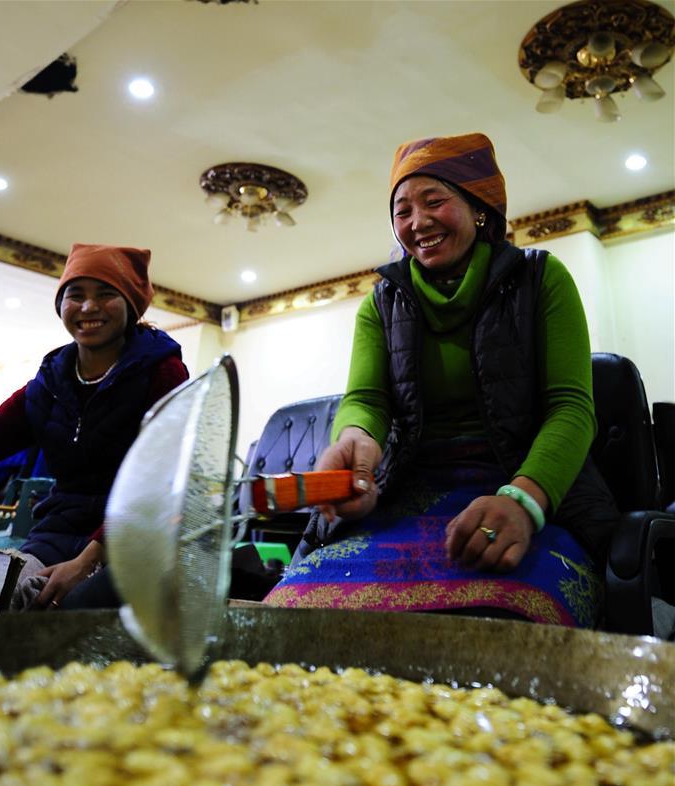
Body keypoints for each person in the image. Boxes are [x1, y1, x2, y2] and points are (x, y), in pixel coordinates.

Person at [265, 133, 619, 628]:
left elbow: (571, 408)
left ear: (478, 209)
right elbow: (366, 399)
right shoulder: (381, 302)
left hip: (522, 488)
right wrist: (354, 439)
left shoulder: (541, 278)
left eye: (435, 201)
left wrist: (522, 500)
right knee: (289, 617)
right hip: (408, 494)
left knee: (513, 623)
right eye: (402, 210)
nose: (417, 222)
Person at [0, 243, 189, 610]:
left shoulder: (162, 373)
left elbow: (160, 483)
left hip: (134, 539)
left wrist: (87, 562)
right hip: (58, 530)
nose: (88, 307)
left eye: (106, 294)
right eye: (75, 295)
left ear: (131, 303)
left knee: (73, 612)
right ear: (61, 306)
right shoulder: (49, 384)